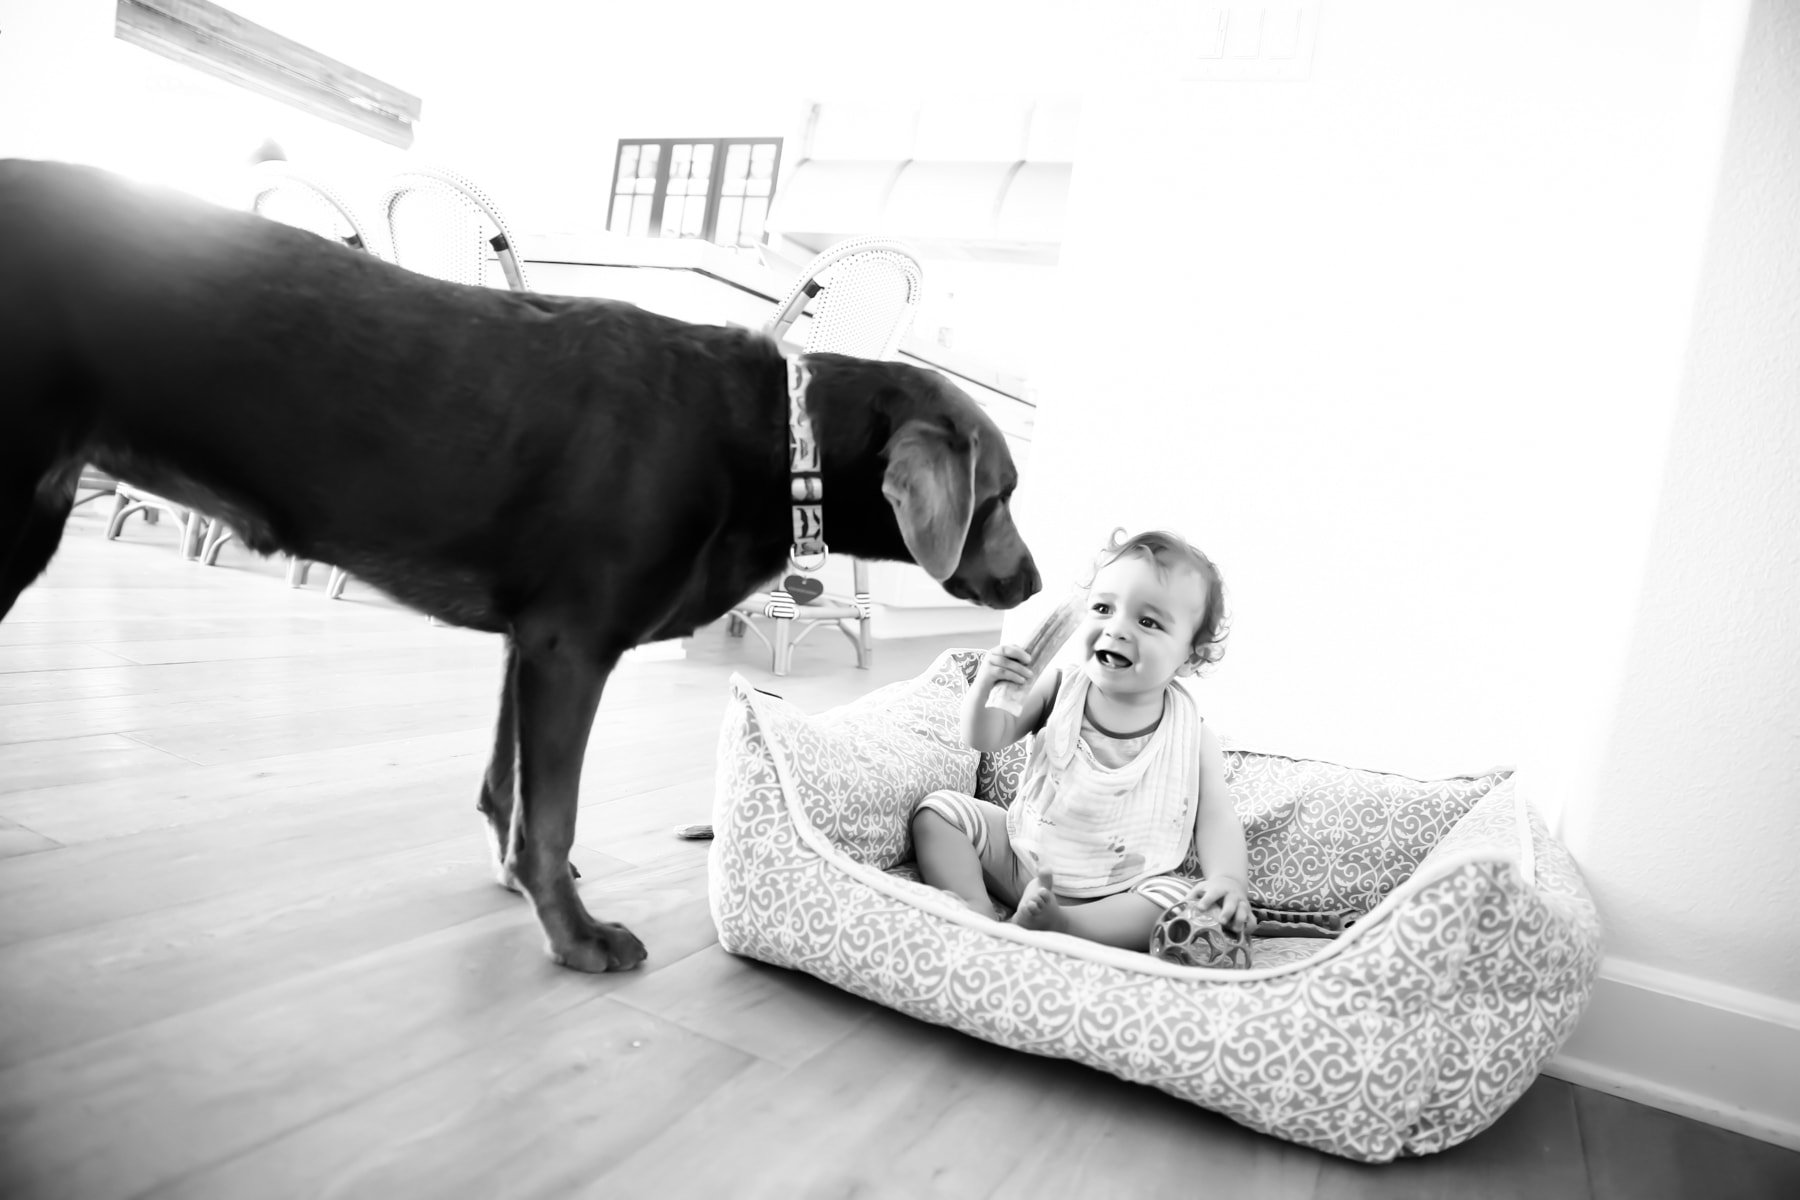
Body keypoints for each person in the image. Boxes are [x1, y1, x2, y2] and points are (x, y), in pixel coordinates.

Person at [910, 529, 1254, 949]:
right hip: (1020, 860)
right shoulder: (1059, 689)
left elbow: (1216, 816)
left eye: (1147, 622)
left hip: (1116, 895)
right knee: (939, 812)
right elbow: (985, 737)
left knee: (1174, 899)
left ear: (1190, 656)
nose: (1117, 629)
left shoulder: (1192, 736)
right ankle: (974, 906)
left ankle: (1064, 925)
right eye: (1104, 608)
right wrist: (988, 686)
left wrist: (1229, 879)